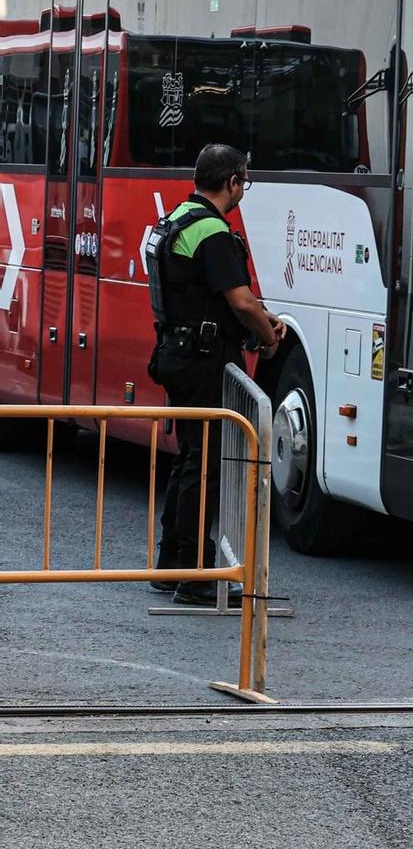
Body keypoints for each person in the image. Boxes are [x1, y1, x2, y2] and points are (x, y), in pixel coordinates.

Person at [145, 144, 286, 606]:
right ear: (232, 182)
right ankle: (197, 574)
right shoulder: (213, 231)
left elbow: (208, 295)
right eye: (243, 181)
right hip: (202, 360)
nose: (243, 189)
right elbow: (240, 302)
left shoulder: (177, 219)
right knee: (204, 468)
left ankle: (172, 566)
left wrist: (261, 318)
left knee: (189, 459)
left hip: (176, 352)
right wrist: (268, 336)